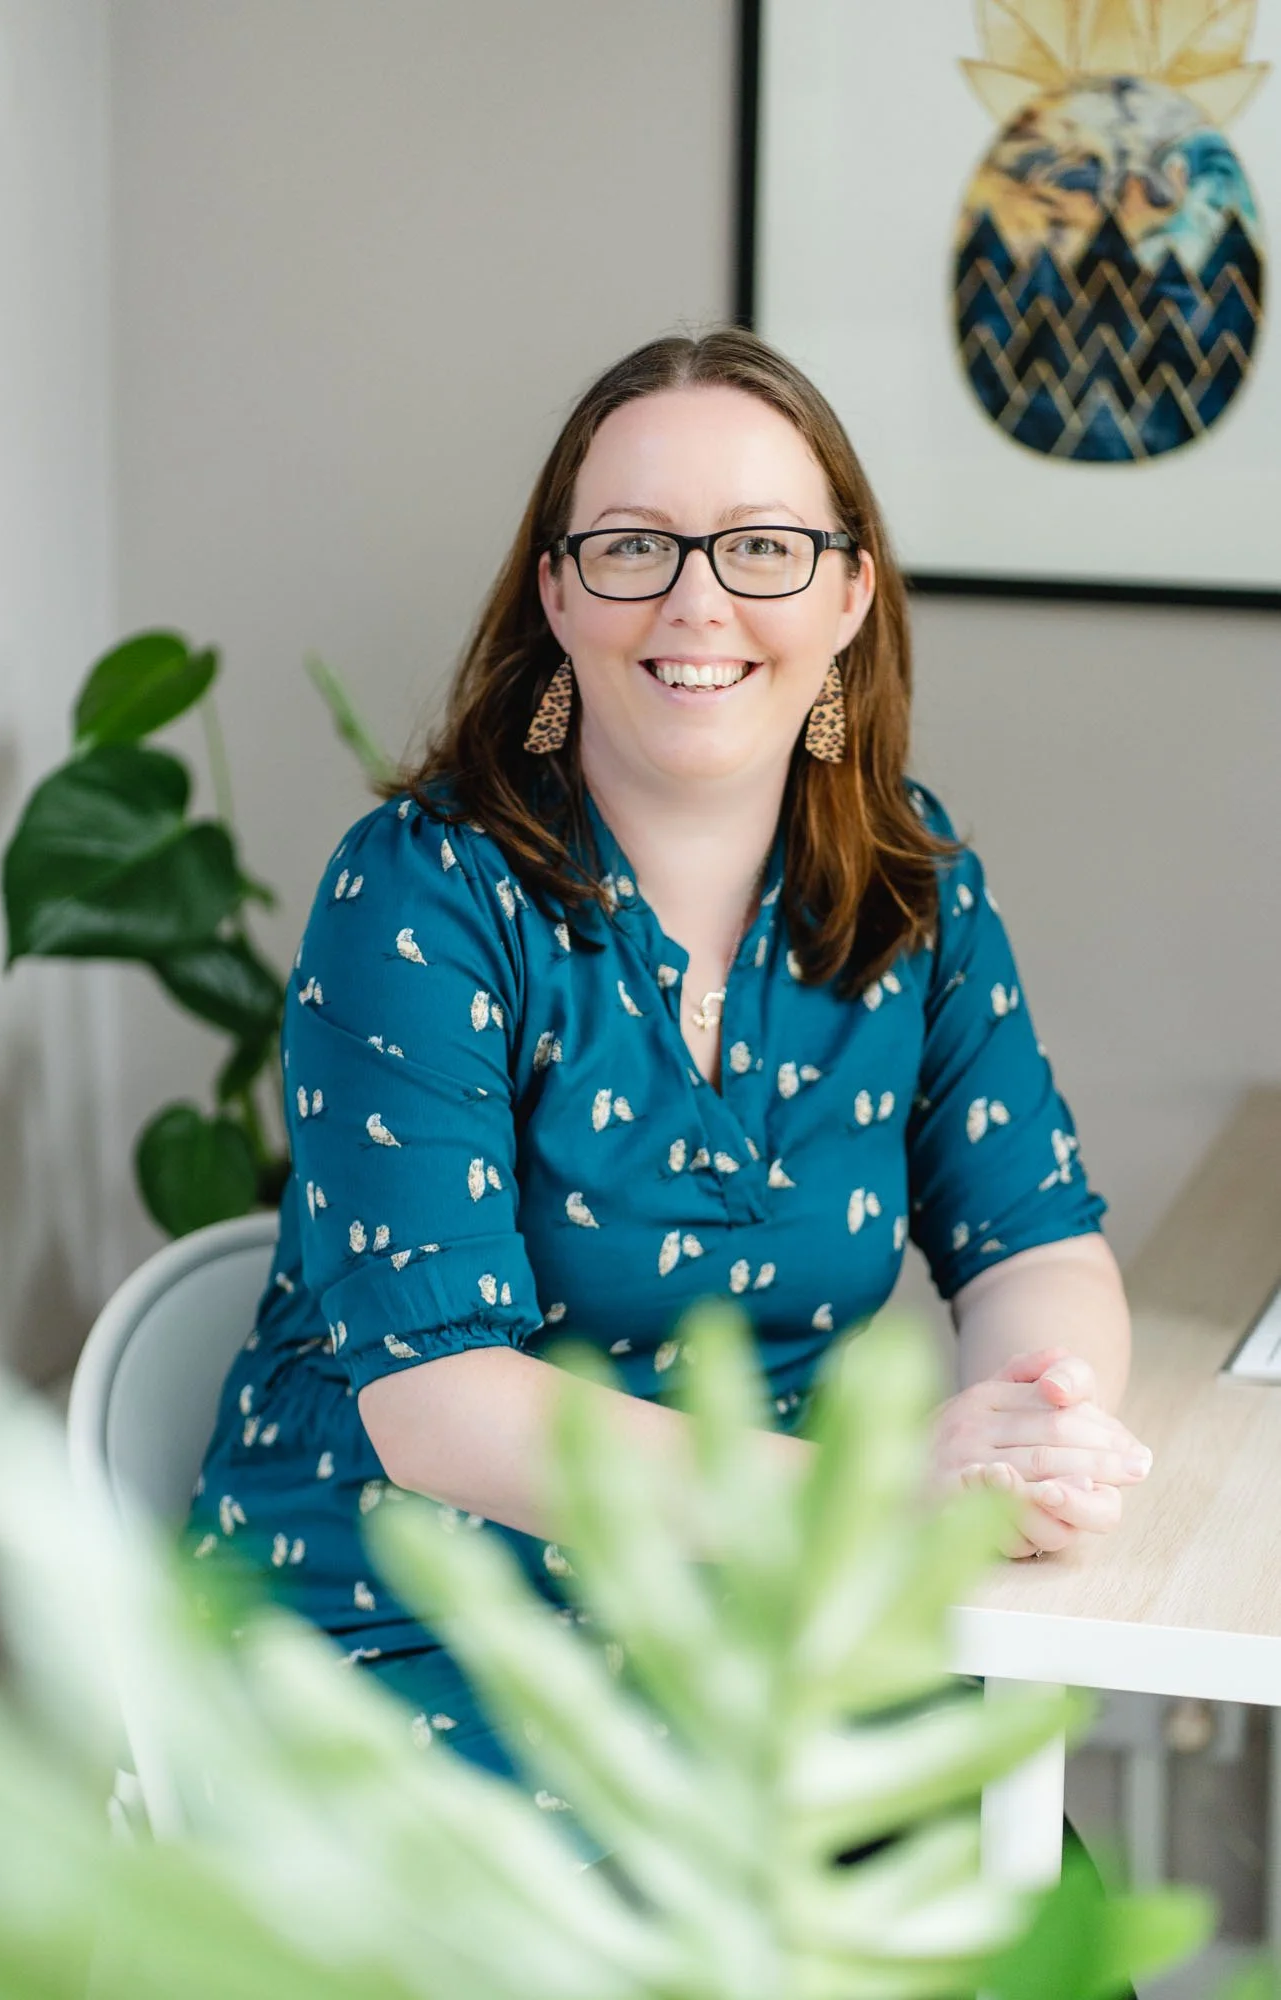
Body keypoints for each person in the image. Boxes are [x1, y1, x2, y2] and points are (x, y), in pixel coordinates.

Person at [187, 326, 1152, 1810]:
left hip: (758, 1620)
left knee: (1023, 1937)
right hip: (411, 1631)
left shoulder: (912, 882)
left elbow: (1035, 1235)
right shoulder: (420, 893)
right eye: (636, 547)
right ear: (559, 594)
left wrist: (1043, 1420)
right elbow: (443, 1409)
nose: (698, 600)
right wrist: (885, 1491)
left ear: (847, 593)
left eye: (762, 547)